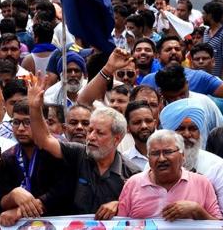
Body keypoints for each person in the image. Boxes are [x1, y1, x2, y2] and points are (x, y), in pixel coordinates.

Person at [29, 75, 140, 219]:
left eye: (100, 133)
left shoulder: (132, 175)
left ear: (117, 139)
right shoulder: (79, 154)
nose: (91, 137)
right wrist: (34, 108)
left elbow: (145, 210)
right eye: (91, 130)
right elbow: (43, 139)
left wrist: (120, 204)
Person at [0, 100, 71, 225]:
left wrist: (21, 211)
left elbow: (63, 192)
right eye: (16, 122)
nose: (20, 128)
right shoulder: (8, 157)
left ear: (43, 123)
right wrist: (13, 195)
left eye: (27, 122)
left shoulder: (59, 150)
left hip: (58, 228)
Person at [117, 129, 222, 220]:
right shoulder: (133, 184)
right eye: (155, 153)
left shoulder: (201, 183)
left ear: (182, 155)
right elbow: (119, 228)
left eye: (168, 152)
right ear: (148, 158)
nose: (161, 159)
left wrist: (197, 211)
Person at [158, 99, 223, 174]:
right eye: (180, 129)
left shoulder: (216, 165)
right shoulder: (157, 164)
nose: (187, 134)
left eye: (193, 129)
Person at [123, 101, 157, 170]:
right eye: (137, 122)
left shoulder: (170, 153)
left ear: (155, 123)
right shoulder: (125, 160)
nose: (144, 126)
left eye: (148, 121)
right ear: (127, 128)